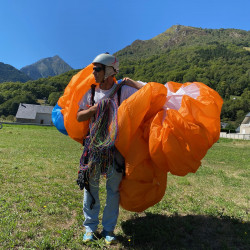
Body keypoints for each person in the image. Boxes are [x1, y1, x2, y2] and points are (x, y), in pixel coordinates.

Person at [76, 53, 143, 244]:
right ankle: (89, 228)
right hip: (94, 149)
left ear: (110, 71)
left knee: (113, 190)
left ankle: (108, 230)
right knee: (90, 187)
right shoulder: (90, 93)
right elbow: (79, 116)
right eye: (93, 69)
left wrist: (132, 83)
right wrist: (94, 109)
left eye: (98, 69)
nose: (94, 73)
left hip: (115, 150)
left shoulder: (124, 92)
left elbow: (151, 94)